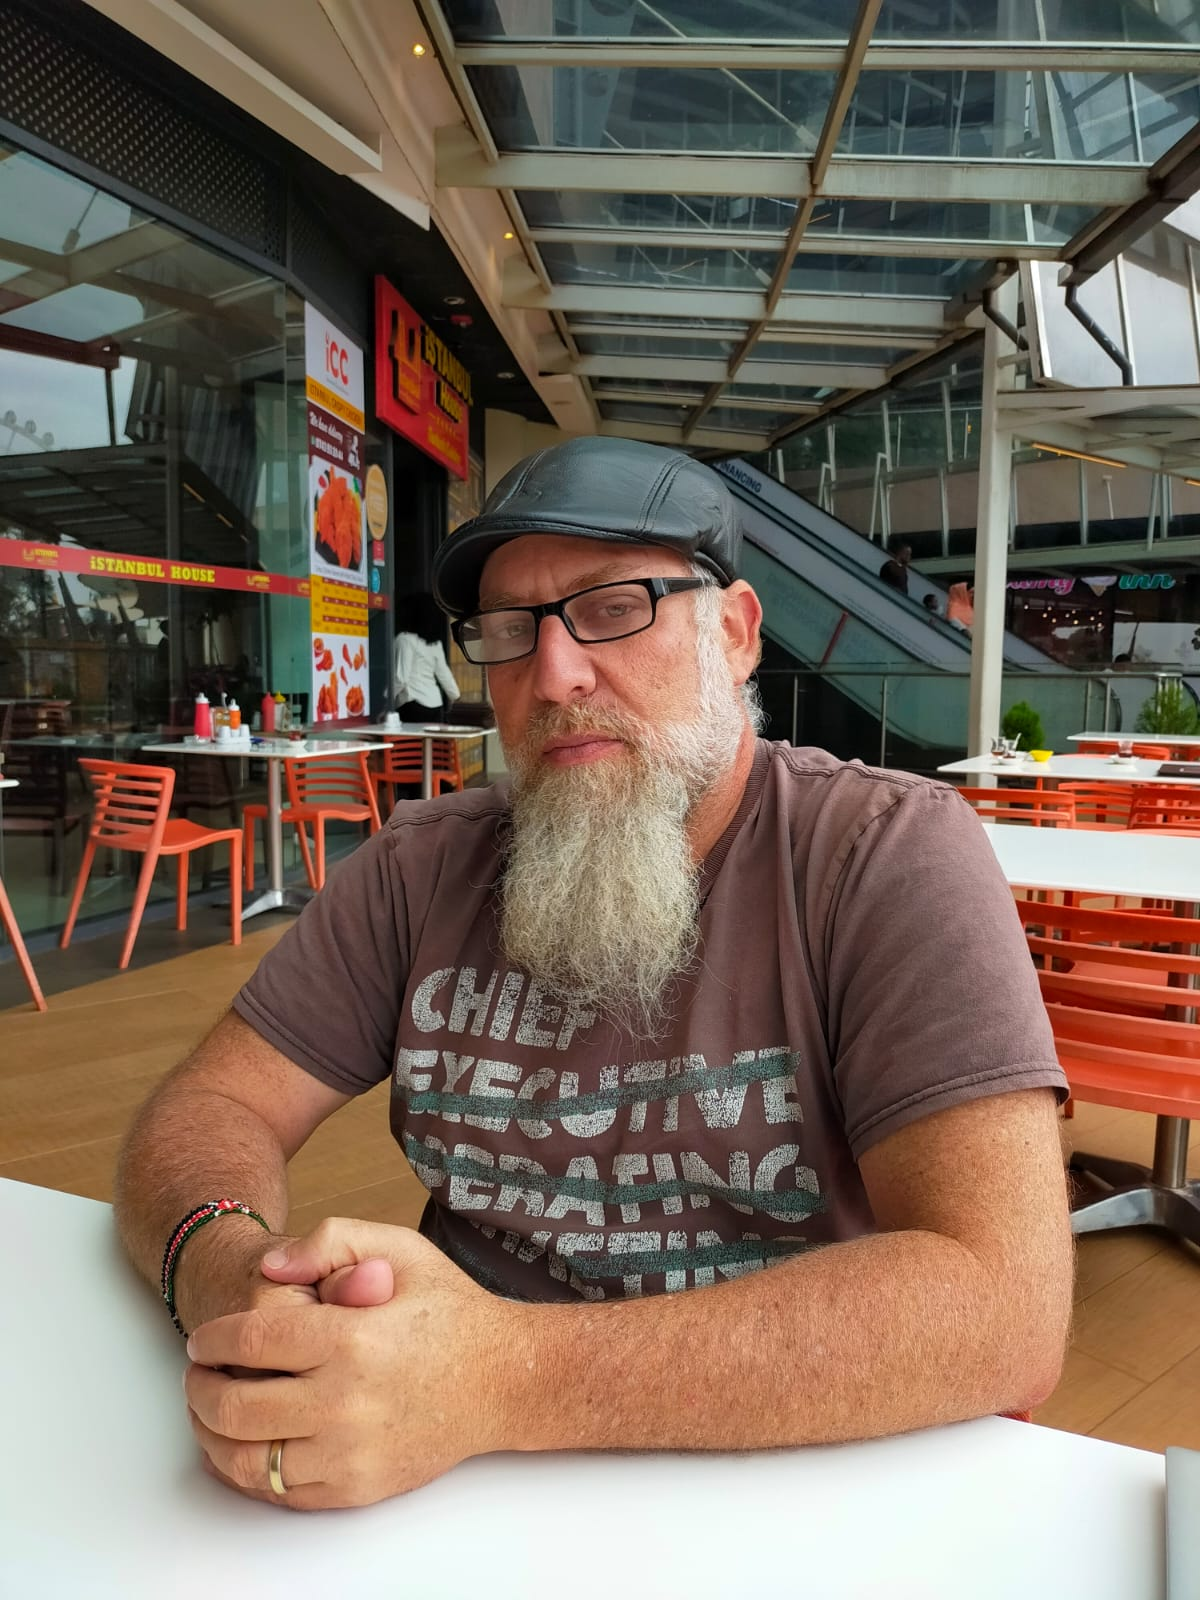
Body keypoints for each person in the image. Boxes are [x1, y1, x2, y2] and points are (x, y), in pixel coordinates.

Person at [114, 436, 1072, 1512]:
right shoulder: (421, 869)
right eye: (510, 629)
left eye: (614, 607)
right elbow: (214, 1103)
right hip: (437, 1479)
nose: (554, 674)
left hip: (785, 1480)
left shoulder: (884, 856)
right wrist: (233, 1276)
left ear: (735, 633)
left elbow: (1002, 1300)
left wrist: (499, 1376)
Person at [392, 591, 459, 721]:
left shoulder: (405, 639)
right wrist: (455, 695)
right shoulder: (435, 644)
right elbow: (444, 674)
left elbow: (401, 678)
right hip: (435, 704)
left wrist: (384, 699)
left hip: (413, 704)